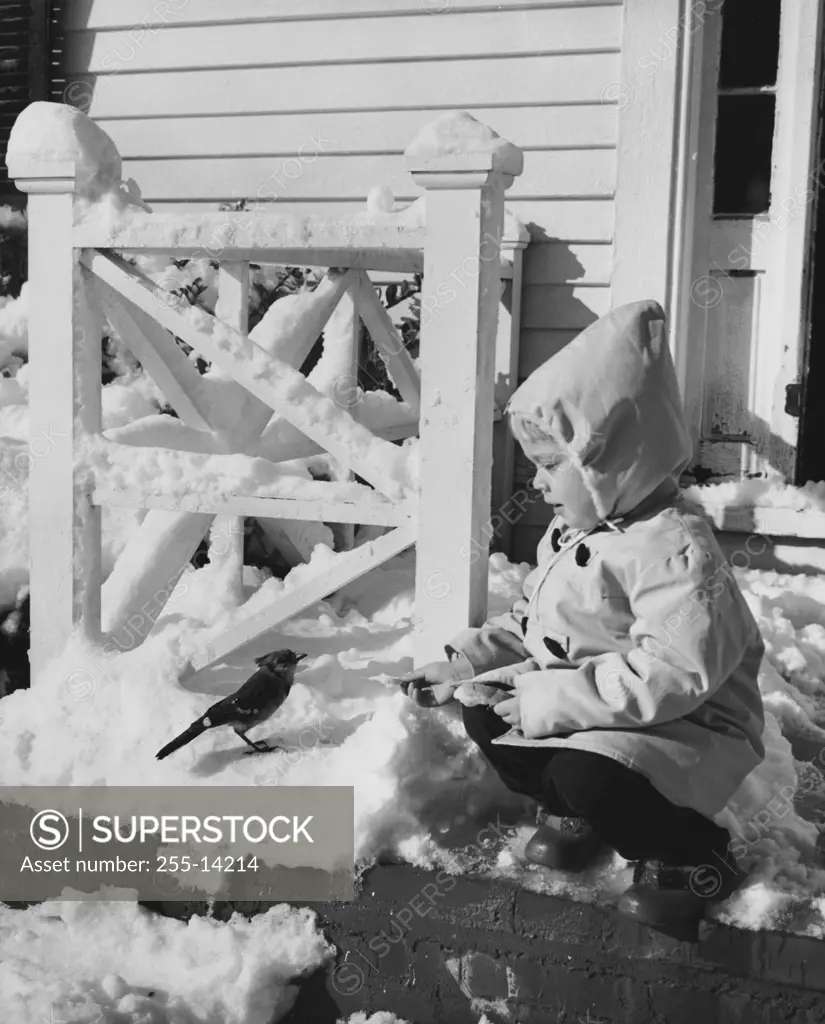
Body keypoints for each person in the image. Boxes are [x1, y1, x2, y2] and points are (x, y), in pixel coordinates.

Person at [400, 299, 765, 935]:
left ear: (611, 460)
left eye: (549, 465)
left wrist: (554, 698)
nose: (536, 484)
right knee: (484, 710)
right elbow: (531, 625)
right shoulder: (575, 533)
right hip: (602, 710)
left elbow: (671, 674)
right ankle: (577, 811)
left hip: (688, 727)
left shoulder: (676, 551)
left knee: (587, 770)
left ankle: (692, 856)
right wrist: (467, 664)